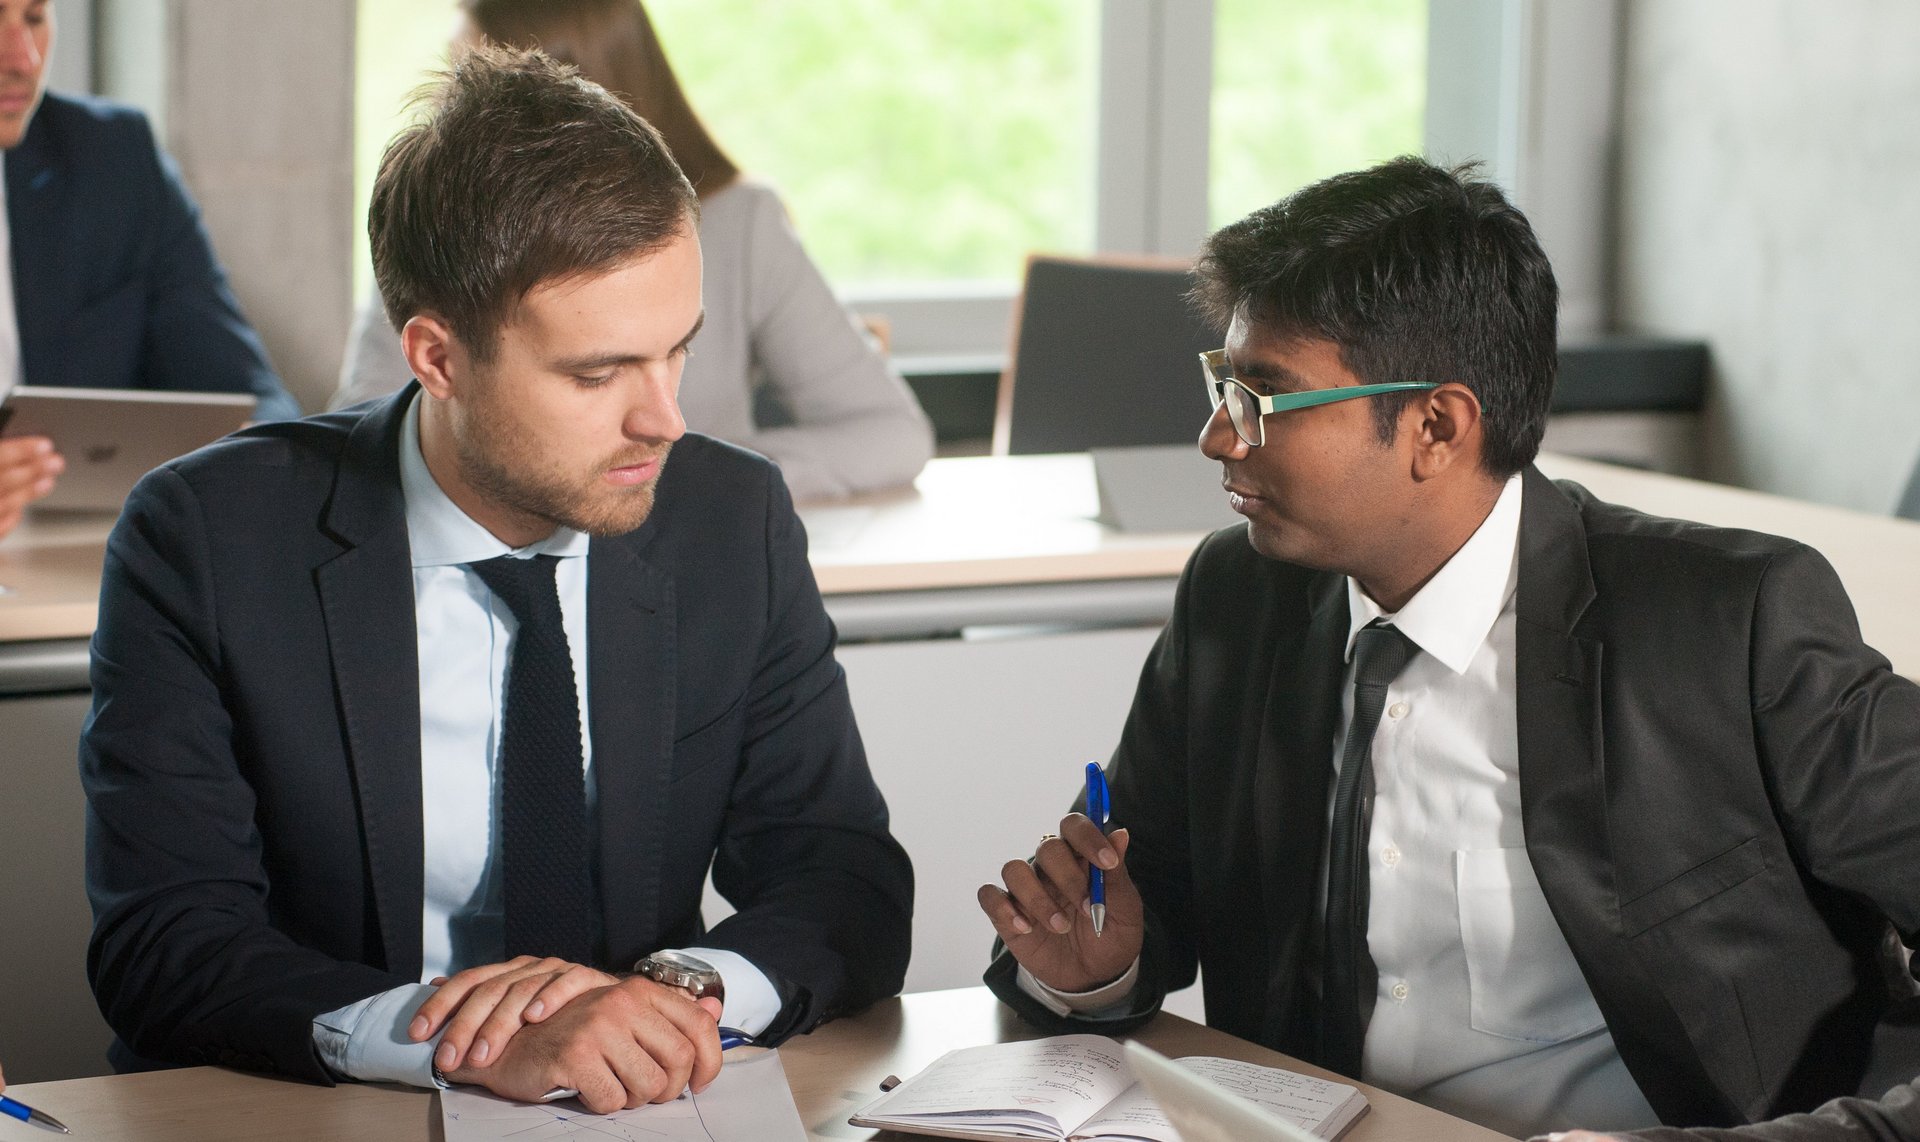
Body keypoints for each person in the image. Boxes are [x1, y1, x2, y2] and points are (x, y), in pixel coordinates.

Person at [976, 157, 1920, 1139]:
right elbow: (1140, 896)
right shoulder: (1238, 600)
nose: (1218, 437)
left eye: (1264, 395)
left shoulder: (1728, 624)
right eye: (1224, 383)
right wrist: (1099, 968)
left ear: (1437, 424)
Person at [82, 44, 912, 1113]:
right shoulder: (206, 537)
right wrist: (467, 1038)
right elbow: (167, 942)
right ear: (436, 357)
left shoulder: (730, 518)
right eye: (599, 372)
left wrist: (667, 996)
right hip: (320, 1109)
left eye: (679, 352)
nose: (665, 417)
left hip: (642, 1109)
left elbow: (842, 881)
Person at [332, 0, 933, 503]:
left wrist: (678, 475)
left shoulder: (743, 223)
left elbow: (891, 434)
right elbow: (368, 439)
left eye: (681, 349)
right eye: (594, 374)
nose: (449, 119)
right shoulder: (445, 232)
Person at [0, 0, 299, 538]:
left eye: (36, 17)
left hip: (87, 566)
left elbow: (251, 396)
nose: (22, 57)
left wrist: (250, 460)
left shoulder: (111, 157)